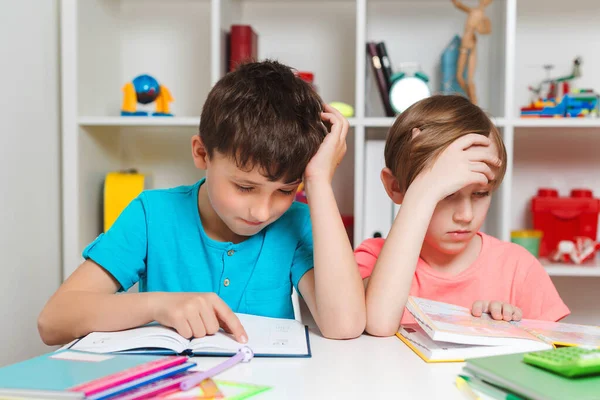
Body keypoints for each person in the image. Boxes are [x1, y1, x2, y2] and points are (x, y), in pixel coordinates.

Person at [38, 60, 366, 345]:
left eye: (285, 190)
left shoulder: (296, 222)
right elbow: (53, 322)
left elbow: (345, 325)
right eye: (244, 187)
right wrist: (158, 305)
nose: (262, 212)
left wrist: (319, 182)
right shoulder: (152, 214)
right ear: (201, 153)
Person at [356, 95, 569, 337]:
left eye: (480, 193)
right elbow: (378, 323)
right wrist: (422, 193)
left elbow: (557, 358)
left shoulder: (519, 267)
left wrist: (512, 333)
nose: (465, 215)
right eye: (446, 194)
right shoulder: (371, 258)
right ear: (396, 187)